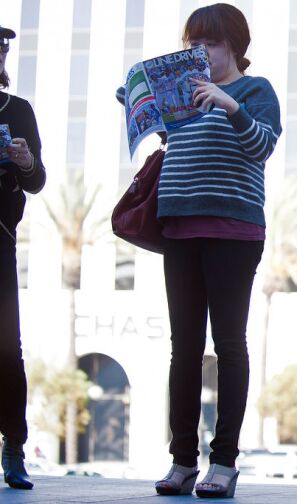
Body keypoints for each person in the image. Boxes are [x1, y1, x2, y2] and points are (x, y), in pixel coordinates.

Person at [152, 4, 281, 499]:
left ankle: (223, 461)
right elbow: (171, 145)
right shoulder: (182, 93)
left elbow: (261, 146)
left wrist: (228, 104)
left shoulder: (255, 90)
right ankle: (181, 458)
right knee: (182, 346)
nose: (200, 52)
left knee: (229, 343)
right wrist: (145, 107)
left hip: (234, 229)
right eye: (193, 43)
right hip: (179, 227)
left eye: (209, 43)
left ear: (235, 45)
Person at [0, 24, 46, 491]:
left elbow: (37, 181)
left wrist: (26, 161)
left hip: (0, 238)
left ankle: (13, 448)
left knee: (6, 349)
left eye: (0, 48)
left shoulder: (18, 110)